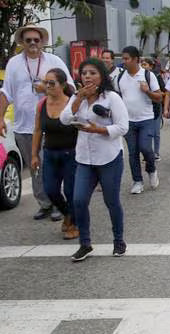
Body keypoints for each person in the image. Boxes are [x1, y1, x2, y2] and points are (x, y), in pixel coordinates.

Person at [0, 24, 75, 221]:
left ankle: (59, 203)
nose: (33, 43)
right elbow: (6, 92)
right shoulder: (14, 63)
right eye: (28, 40)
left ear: (42, 41)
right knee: (35, 166)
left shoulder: (54, 61)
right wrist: (0, 118)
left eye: (36, 39)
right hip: (24, 125)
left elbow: (71, 88)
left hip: (52, 124)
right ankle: (45, 203)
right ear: (22, 43)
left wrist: (47, 88)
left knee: (52, 166)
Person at [60, 58, 129, 262]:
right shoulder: (77, 97)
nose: (87, 76)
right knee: (79, 200)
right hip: (84, 158)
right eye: (84, 73)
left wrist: (97, 129)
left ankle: (118, 241)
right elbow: (64, 119)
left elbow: (123, 127)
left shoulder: (111, 98)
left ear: (101, 76)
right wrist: (78, 98)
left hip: (109, 158)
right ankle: (85, 244)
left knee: (111, 201)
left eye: (92, 72)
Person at [31, 68, 78, 240]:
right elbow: (37, 130)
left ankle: (73, 223)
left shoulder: (72, 103)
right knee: (50, 190)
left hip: (71, 154)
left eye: (52, 83)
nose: (47, 86)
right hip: (50, 153)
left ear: (63, 85)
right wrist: (34, 155)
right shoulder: (41, 104)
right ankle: (67, 213)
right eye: (46, 82)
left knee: (71, 190)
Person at [115, 46, 162, 194]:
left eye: (126, 59)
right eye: (123, 59)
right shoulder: (120, 78)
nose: (124, 62)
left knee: (146, 148)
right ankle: (137, 181)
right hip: (128, 121)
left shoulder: (148, 75)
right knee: (133, 152)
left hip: (146, 119)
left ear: (136, 60)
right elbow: (116, 99)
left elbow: (159, 96)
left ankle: (152, 169)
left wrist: (147, 90)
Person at [141, 57, 166, 160]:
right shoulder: (138, 77)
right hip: (143, 108)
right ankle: (147, 153)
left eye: (145, 64)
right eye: (142, 64)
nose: (143, 66)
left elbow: (163, 92)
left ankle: (156, 152)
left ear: (151, 66)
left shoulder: (157, 76)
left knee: (155, 132)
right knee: (146, 133)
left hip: (155, 107)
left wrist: (152, 94)